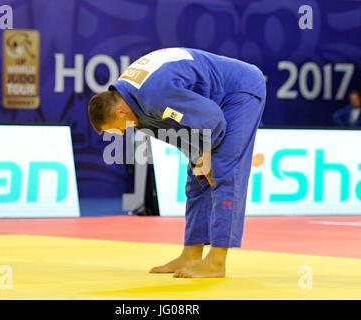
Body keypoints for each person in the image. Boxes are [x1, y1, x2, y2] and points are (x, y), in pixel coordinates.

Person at [88, 48, 266, 278]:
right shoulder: (133, 107)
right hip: (209, 102)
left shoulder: (155, 95)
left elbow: (212, 120)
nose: (120, 135)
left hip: (239, 92)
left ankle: (216, 261)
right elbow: (177, 135)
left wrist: (206, 153)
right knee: (197, 177)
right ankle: (190, 254)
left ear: (120, 111)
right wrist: (199, 158)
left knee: (224, 172)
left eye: (115, 129)